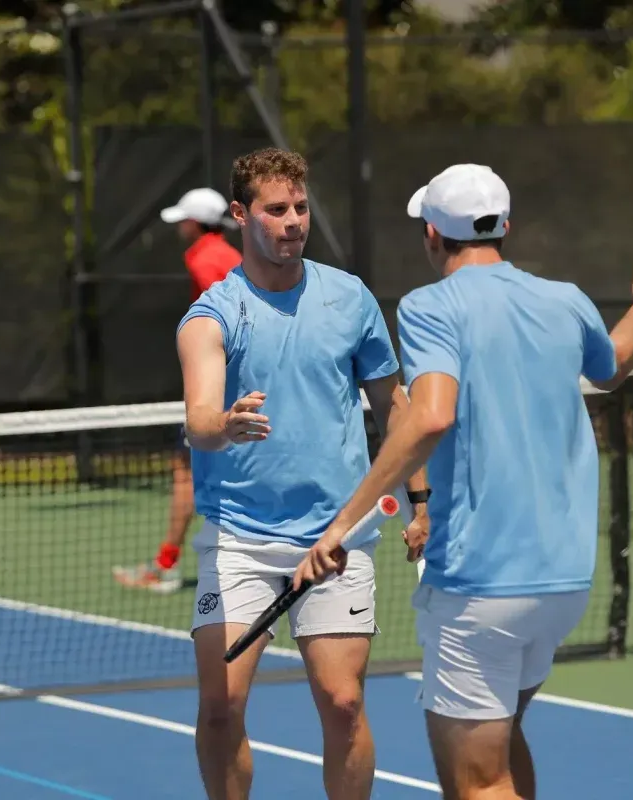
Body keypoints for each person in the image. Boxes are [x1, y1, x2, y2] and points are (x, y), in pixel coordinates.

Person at [293, 163, 633, 799]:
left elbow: (431, 415)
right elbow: (611, 365)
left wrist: (343, 524)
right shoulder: (564, 299)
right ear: (505, 227)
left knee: (474, 783)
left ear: (431, 235)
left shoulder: (428, 308)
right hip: (562, 584)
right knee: (502, 746)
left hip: (481, 587)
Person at [176, 147, 431, 800]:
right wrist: (224, 425)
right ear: (240, 215)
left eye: (300, 207)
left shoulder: (350, 300)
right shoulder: (212, 317)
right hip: (239, 540)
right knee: (220, 707)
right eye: (275, 209)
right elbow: (200, 417)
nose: (293, 221)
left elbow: (392, 408)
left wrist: (420, 499)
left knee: (343, 704)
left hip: (336, 538)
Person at [112, 187, 242, 594]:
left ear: (196, 223)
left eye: (184, 219)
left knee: (184, 472)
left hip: (218, 383)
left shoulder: (203, 258)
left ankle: (165, 566)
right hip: (235, 381)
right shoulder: (235, 257)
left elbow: (223, 314)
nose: (179, 227)